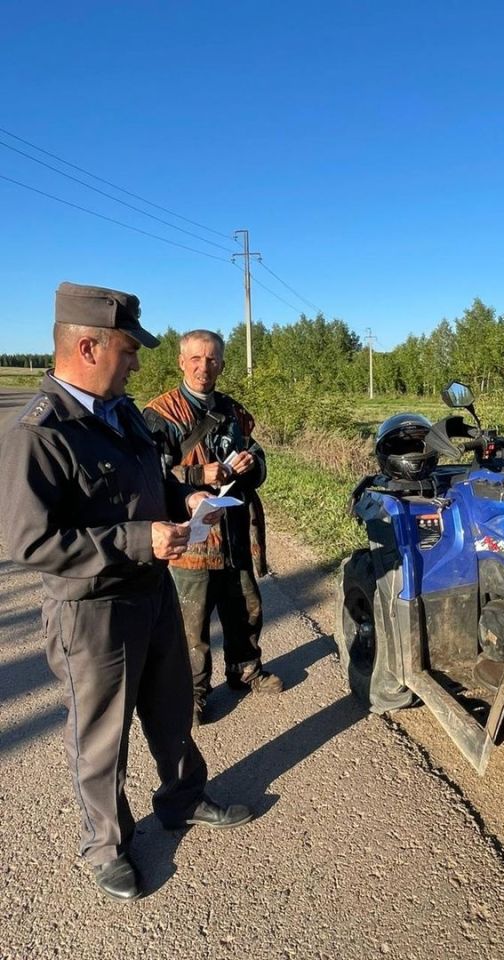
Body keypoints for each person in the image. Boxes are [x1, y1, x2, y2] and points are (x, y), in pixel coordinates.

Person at [0, 283, 255, 905]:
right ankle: (105, 845)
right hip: (92, 611)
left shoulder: (123, 414)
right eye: (128, 348)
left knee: (171, 709)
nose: (139, 360)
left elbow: (149, 482)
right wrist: (141, 537)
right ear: (88, 346)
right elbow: (30, 542)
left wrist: (185, 498)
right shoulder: (39, 432)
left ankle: (182, 799)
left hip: (152, 592)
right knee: (101, 737)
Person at [143, 330, 282, 725]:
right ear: (181, 362)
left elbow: (256, 454)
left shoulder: (234, 411)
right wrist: (194, 474)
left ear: (222, 363)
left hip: (235, 528)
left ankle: (245, 668)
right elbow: (149, 476)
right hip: (190, 534)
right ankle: (193, 692)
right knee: (192, 619)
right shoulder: (159, 415)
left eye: (213, 360)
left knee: (245, 605)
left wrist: (251, 465)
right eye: (197, 359)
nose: (204, 367)